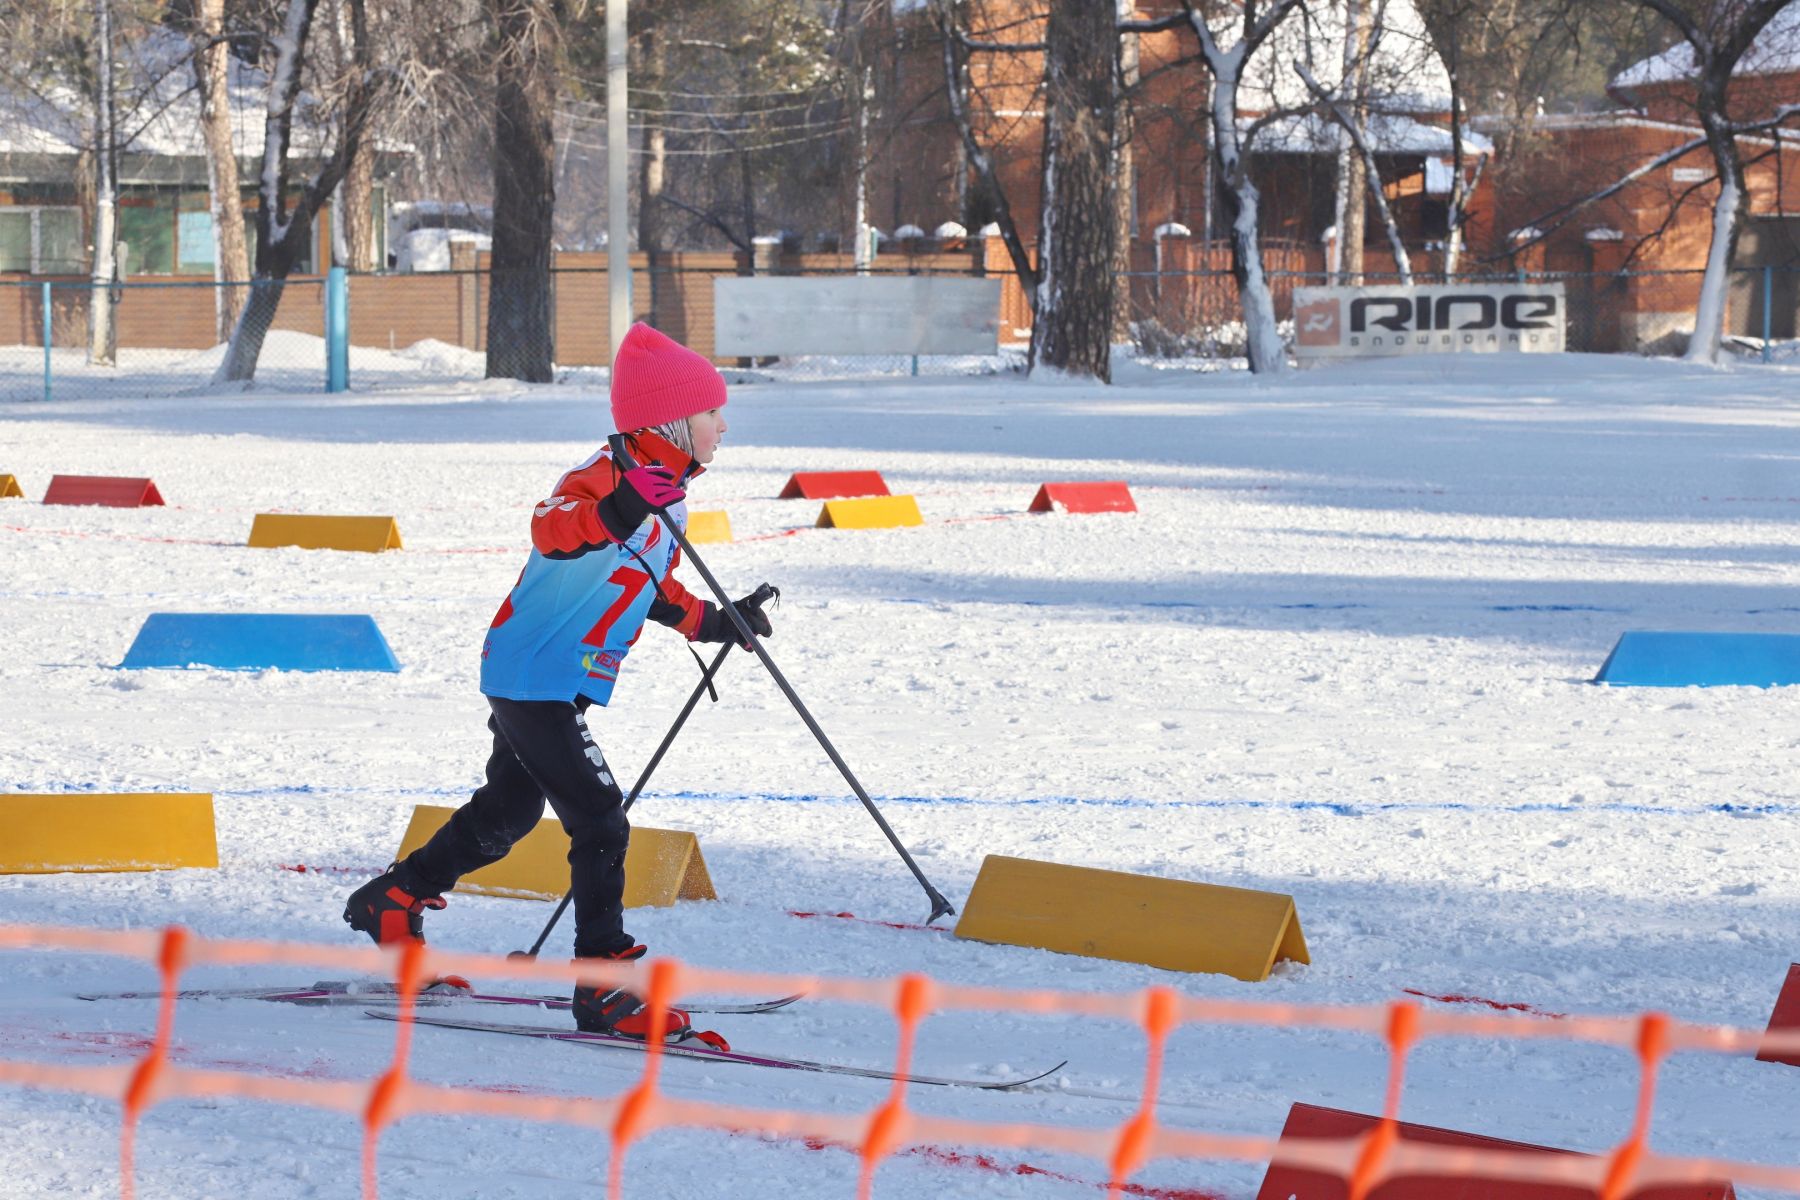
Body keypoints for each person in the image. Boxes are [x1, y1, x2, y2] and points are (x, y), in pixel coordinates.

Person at [344, 323, 774, 1046]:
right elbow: (554, 529)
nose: (723, 425)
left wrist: (717, 621)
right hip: (530, 673)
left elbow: (652, 587)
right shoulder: (604, 476)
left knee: (509, 813)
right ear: (670, 421)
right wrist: (616, 509)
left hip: (551, 676)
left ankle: (393, 899)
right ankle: (604, 985)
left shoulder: (667, 496)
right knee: (599, 817)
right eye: (710, 414)